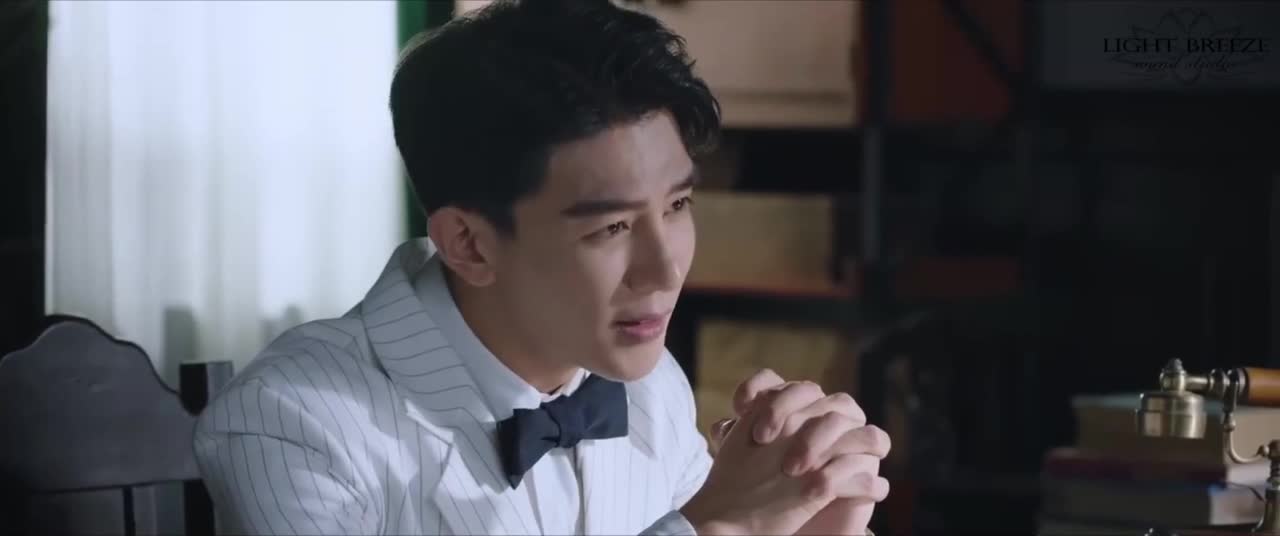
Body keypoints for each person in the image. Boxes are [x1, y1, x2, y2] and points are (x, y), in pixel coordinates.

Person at [192, 0, 890, 534]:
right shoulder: (292, 421)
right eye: (612, 226)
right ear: (469, 244)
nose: (665, 269)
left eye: (677, 204)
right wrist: (713, 525)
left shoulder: (652, 390)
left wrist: (810, 520)